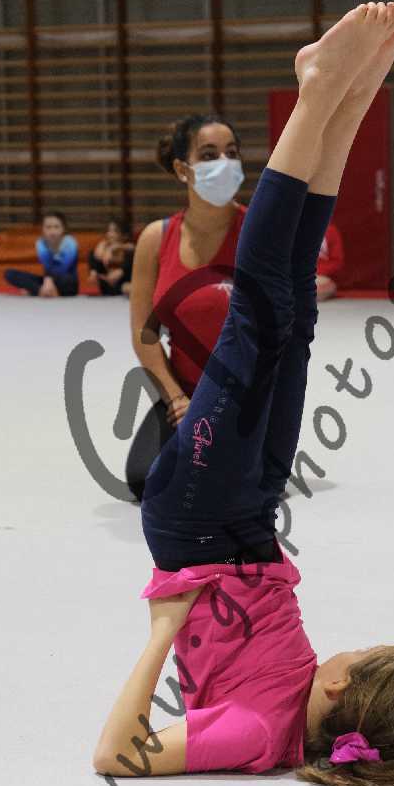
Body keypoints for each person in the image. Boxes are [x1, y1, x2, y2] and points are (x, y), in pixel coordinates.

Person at [92, 1, 394, 786]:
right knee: (293, 320)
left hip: (195, 521)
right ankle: (347, 100)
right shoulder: (303, 698)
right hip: (250, 522)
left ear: (342, 685)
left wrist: (163, 630)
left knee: (260, 306)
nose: (348, 649)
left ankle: (321, 90)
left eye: (359, 655)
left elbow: (117, 756)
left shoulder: (260, 733)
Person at [124, 113, 247, 501]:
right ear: (182, 169)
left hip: (246, 393)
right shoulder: (156, 238)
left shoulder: (258, 230)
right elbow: (144, 333)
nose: (223, 163)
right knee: (145, 480)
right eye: (209, 155)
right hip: (185, 394)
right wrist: (176, 399)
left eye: (231, 153)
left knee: (229, 483)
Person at [4, 211, 79, 297]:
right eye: (48, 227)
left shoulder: (70, 243)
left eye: (56, 227)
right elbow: (48, 266)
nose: (52, 231)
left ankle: (38, 291)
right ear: (43, 229)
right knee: (9, 274)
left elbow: (63, 268)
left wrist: (48, 279)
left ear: (64, 229)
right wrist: (46, 281)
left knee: (67, 280)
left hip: (66, 281)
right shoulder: (41, 243)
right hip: (48, 281)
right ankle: (42, 291)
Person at [88, 217, 134, 296]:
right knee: (92, 254)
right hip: (107, 285)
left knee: (132, 256)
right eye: (109, 231)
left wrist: (122, 270)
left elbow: (133, 248)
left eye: (114, 231)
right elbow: (96, 258)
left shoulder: (128, 248)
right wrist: (94, 272)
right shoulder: (103, 246)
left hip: (123, 284)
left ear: (123, 235)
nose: (110, 234)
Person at [316, 220, 344, 301]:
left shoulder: (330, 231)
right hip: (298, 277)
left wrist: (315, 273)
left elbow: (337, 262)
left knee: (327, 287)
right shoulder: (295, 229)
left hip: (321, 277)